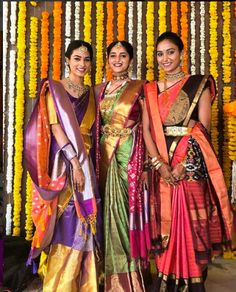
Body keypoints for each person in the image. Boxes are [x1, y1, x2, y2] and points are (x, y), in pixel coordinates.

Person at [143, 31, 233, 291]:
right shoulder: (150, 90)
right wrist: (160, 165)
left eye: (170, 52)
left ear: (182, 53)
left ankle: (193, 283)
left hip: (190, 167)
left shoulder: (199, 84)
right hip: (161, 166)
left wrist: (184, 165)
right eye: (160, 54)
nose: (165, 58)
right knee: (165, 224)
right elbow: (147, 130)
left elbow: (202, 130)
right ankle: (165, 282)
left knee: (192, 228)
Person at [25, 40, 101, 291]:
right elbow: (56, 127)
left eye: (87, 59)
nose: (82, 64)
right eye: (77, 58)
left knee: (85, 223)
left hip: (86, 162)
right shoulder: (55, 89)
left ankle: (84, 284)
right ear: (67, 60)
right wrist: (74, 164)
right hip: (65, 161)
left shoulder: (93, 93)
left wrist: (84, 164)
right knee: (67, 220)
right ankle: (60, 284)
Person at [95, 40, 151, 291]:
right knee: (106, 211)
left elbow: (149, 128)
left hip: (130, 155)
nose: (117, 60)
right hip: (103, 156)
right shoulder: (99, 89)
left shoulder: (140, 88)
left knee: (125, 212)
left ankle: (129, 277)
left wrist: (148, 165)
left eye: (123, 56)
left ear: (131, 59)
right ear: (107, 59)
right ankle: (105, 274)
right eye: (113, 56)